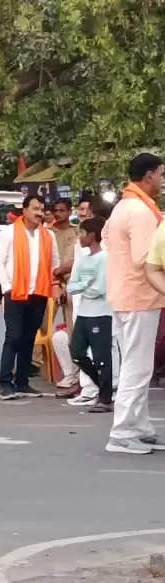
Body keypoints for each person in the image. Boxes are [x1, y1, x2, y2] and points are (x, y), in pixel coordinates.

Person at [113, 153, 165, 454]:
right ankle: (122, 433)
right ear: (147, 176)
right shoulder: (141, 211)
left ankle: (140, 427)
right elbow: (145, 259)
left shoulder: (125, 206)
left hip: (128, 296)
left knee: (137, 366)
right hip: (139, 296)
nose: (161, 180)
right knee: (136, 367)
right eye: (160, 174)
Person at [0, 195, 59, 400]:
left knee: (28, 339)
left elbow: (54, 263)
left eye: (41, 209)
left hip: (38, 293)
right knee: (13, 337)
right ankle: (5, 383)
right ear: (24, 210)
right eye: (35, 208)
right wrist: (7, 287)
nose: (39, 212)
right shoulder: (9, 232)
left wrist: (56, 286)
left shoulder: (48, 235)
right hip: (15, 292)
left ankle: (22, 382)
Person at [65, 217, 112, 413]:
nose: (80, 237)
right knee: (77, 353)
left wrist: (85, 287)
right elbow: (72, 286)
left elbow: (101, 288)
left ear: (92, 236)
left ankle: (105, 397)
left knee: (102, 356)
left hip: (101, 313)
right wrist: (86, 285)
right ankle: (102, 386)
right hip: (84, 313)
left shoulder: (105, 258)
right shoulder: (82, 259)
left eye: (83, 233)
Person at [48, 198, 83, 396]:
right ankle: (42, 368)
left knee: (72, 329)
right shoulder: (47, 233)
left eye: (62, 210)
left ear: (69, 211)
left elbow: (77, 260)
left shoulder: (77, 233)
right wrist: (55, 283)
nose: (58, 214)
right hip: (50, 285)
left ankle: (75, 374)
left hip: (71, 285)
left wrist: (62, 278)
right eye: (55, 210)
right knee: (46, 328)